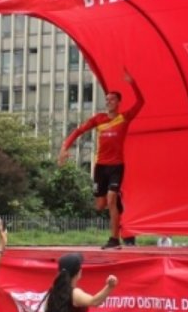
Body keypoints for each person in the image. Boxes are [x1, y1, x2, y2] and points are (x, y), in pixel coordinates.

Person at [58, 72, 146, 249]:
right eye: (107, 99)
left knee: (111, 199)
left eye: (112, 99)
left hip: (116, 166)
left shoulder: (124, 117)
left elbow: (141, 102)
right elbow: (78, 131)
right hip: (100, 166)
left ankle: (114, 240)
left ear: (118, 102)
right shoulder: (98, 119)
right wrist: (64, 148)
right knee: (100, 205)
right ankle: (117, 200)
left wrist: (133, 83)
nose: (108, 102)